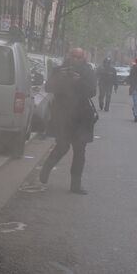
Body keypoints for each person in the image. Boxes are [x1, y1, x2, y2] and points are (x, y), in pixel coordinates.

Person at [38, 48, 98, 194]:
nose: (76, 59)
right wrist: (61, 77)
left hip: (82, 117)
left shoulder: (88, 71)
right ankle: (46, 169)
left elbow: (92, 91)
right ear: (68, 56)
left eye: (79, 57)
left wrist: (79, 81)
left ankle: (75, 185)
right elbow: (48, 87)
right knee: (62, 147)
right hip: (63, 115)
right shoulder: (59, 70)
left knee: (79, 151)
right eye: (73, 56)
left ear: (83, 58)